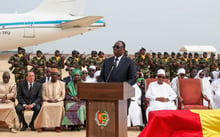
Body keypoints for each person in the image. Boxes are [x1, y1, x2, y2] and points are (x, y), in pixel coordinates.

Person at [99, 40, 137, 115]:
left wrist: (123, 86)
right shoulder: (107, 61)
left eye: (117, 47)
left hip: (123, 95)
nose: (115, 48)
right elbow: (101, 77)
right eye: (114, 47)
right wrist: (102, 83)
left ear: (123, 49)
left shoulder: (129, 62)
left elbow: (133, 78)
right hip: (108, 95)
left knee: (121, 118)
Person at [34, 68, 65, 132]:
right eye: (52, 74)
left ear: (58, 76)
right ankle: (42, 125)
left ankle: (57, 126)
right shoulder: (45, 84)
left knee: (59, 107)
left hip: (58, 101)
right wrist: (48, 100)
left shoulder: (62, 84)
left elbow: (63, 96)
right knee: (44, 106)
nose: (54, 76)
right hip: (48, 101)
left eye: (55, 74)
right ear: (50, 75)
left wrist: (57, 100)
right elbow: (43, 95)